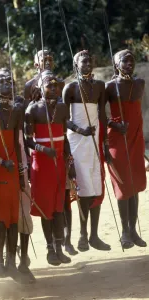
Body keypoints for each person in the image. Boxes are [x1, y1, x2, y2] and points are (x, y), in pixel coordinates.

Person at [0, 68, 32, 284]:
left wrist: (21, 174)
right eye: (2, 81)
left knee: (14, 219)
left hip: (13, 171)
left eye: (10, 82)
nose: (8, 84)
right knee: (3, 219)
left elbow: (16, 143)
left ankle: (12, 262)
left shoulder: (17, 111)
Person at [63, 50, 111, 252]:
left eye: (90, 61)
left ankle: (94, 235)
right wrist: (80, 130)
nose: (88, 64)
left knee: (96, 185)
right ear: (76, 64)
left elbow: (102, 116)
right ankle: (82, 235)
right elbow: (63, 119)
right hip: (77, 140)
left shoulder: (100, 86)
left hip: (95, 139)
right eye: (83, 61)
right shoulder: (70, 88)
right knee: (83, 187)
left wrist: (106, 144)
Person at [25, 70, 75, 266]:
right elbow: (28, 141)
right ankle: (49, 249)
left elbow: (65, 137)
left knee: (59, 206)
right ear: (40, 89)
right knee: (46, 207)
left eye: (56, 85)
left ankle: (59, 246)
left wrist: (69, 163)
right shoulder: (33, 110)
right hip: (42, 164)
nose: (54, 89)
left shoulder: (63, 109)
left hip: (60, 164)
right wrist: (43, 149)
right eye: (49, 86)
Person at [105, 49, 147, 249]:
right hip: (118, 140)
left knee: (136, 184)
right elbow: (100, 115)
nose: (130, 64)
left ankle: (133, 230)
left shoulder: (140, 84)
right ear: (116, 65)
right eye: (125, 61)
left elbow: (140, 111)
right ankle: (124, 232)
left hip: (136, 139)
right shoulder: (110, 87)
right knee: (123, 186)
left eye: (132, 60)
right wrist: (114, 125)